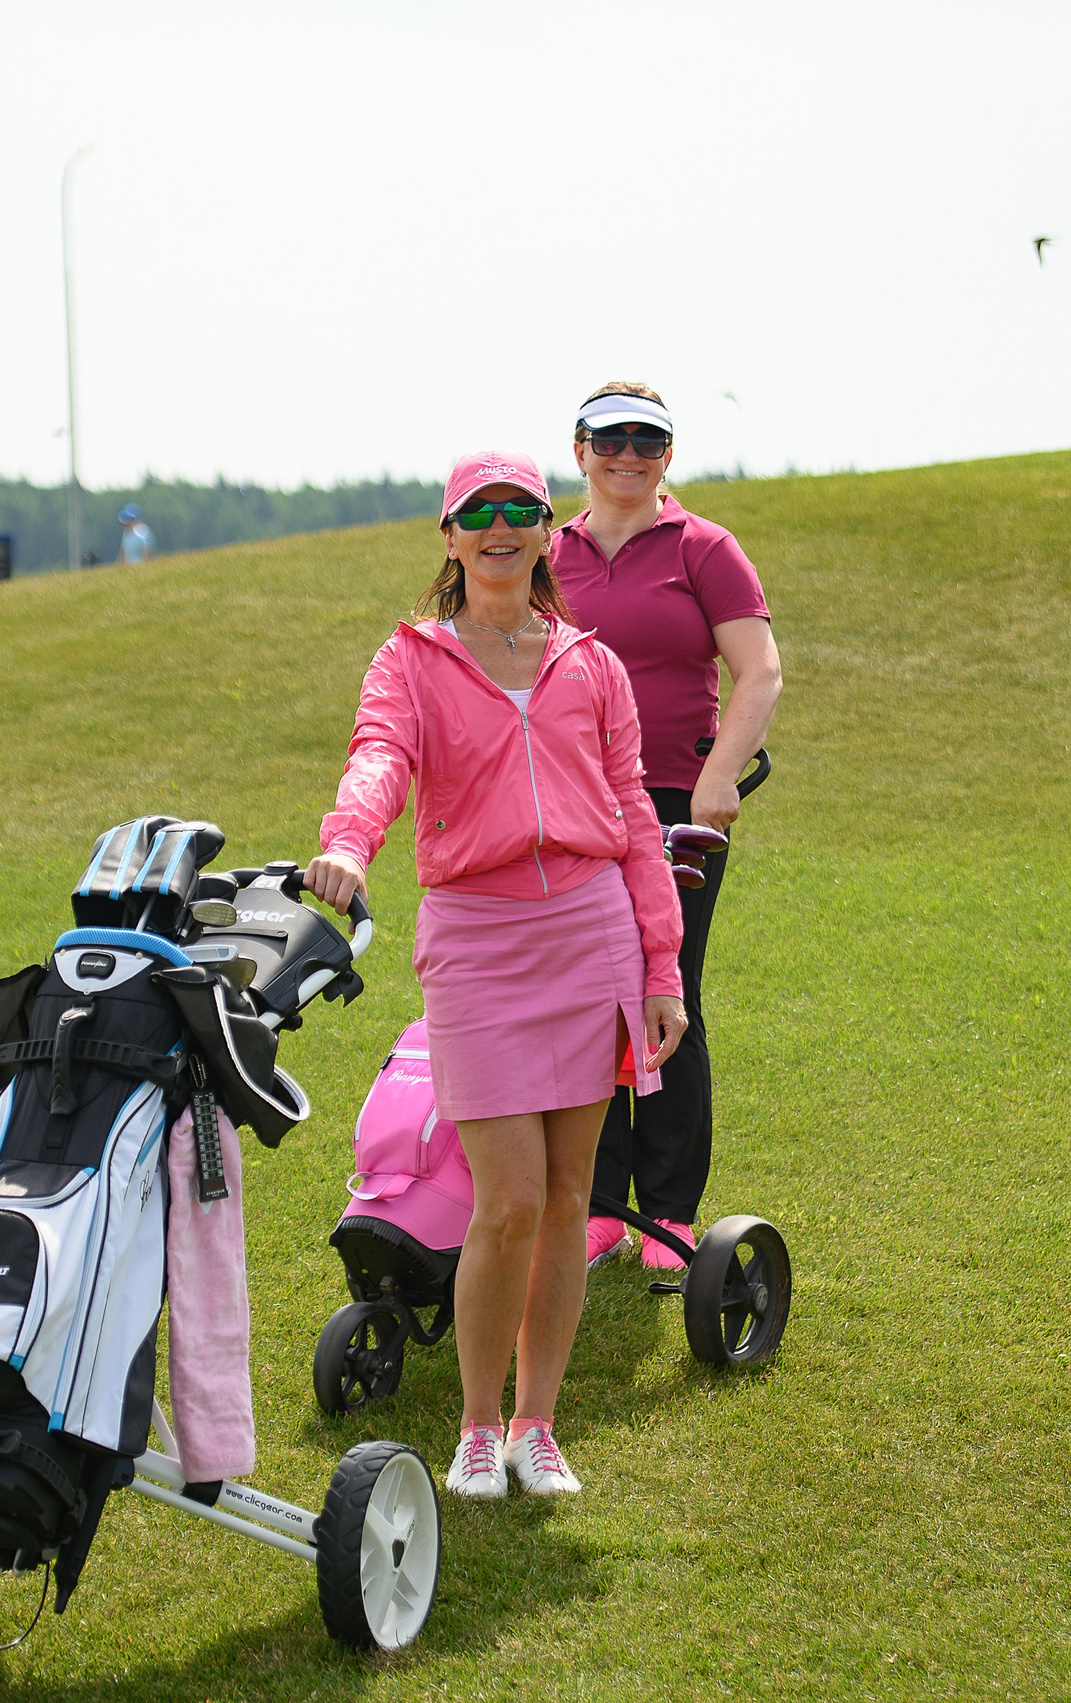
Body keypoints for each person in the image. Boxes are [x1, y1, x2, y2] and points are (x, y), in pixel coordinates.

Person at [305, 450, 687, 1501]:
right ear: (450, 536)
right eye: (480, 513)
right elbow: (378, 751)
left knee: (569, 1194)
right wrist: (348, 839)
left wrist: (661, 963)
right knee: (507, 1199)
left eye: (521, 510)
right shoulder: (413, 659)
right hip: (477, 942)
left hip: (590, 936)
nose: (501, 528)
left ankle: (537, 1427)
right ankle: (476, 1428)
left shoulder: (590, 664)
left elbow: (636, 820)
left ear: (546, 528)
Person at [547, 383, 783, 1273]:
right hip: (570, 806)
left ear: (668, 456)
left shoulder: (706, 549)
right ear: (580, 450)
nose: (629, 454)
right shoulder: (546, 550)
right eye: (611, 438)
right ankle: (601, 1206)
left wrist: (721, 772)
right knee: (583, 1002)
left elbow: (759, 672)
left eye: (648, 440)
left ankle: (672, 1212)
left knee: (666, 990)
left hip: (679, 804)